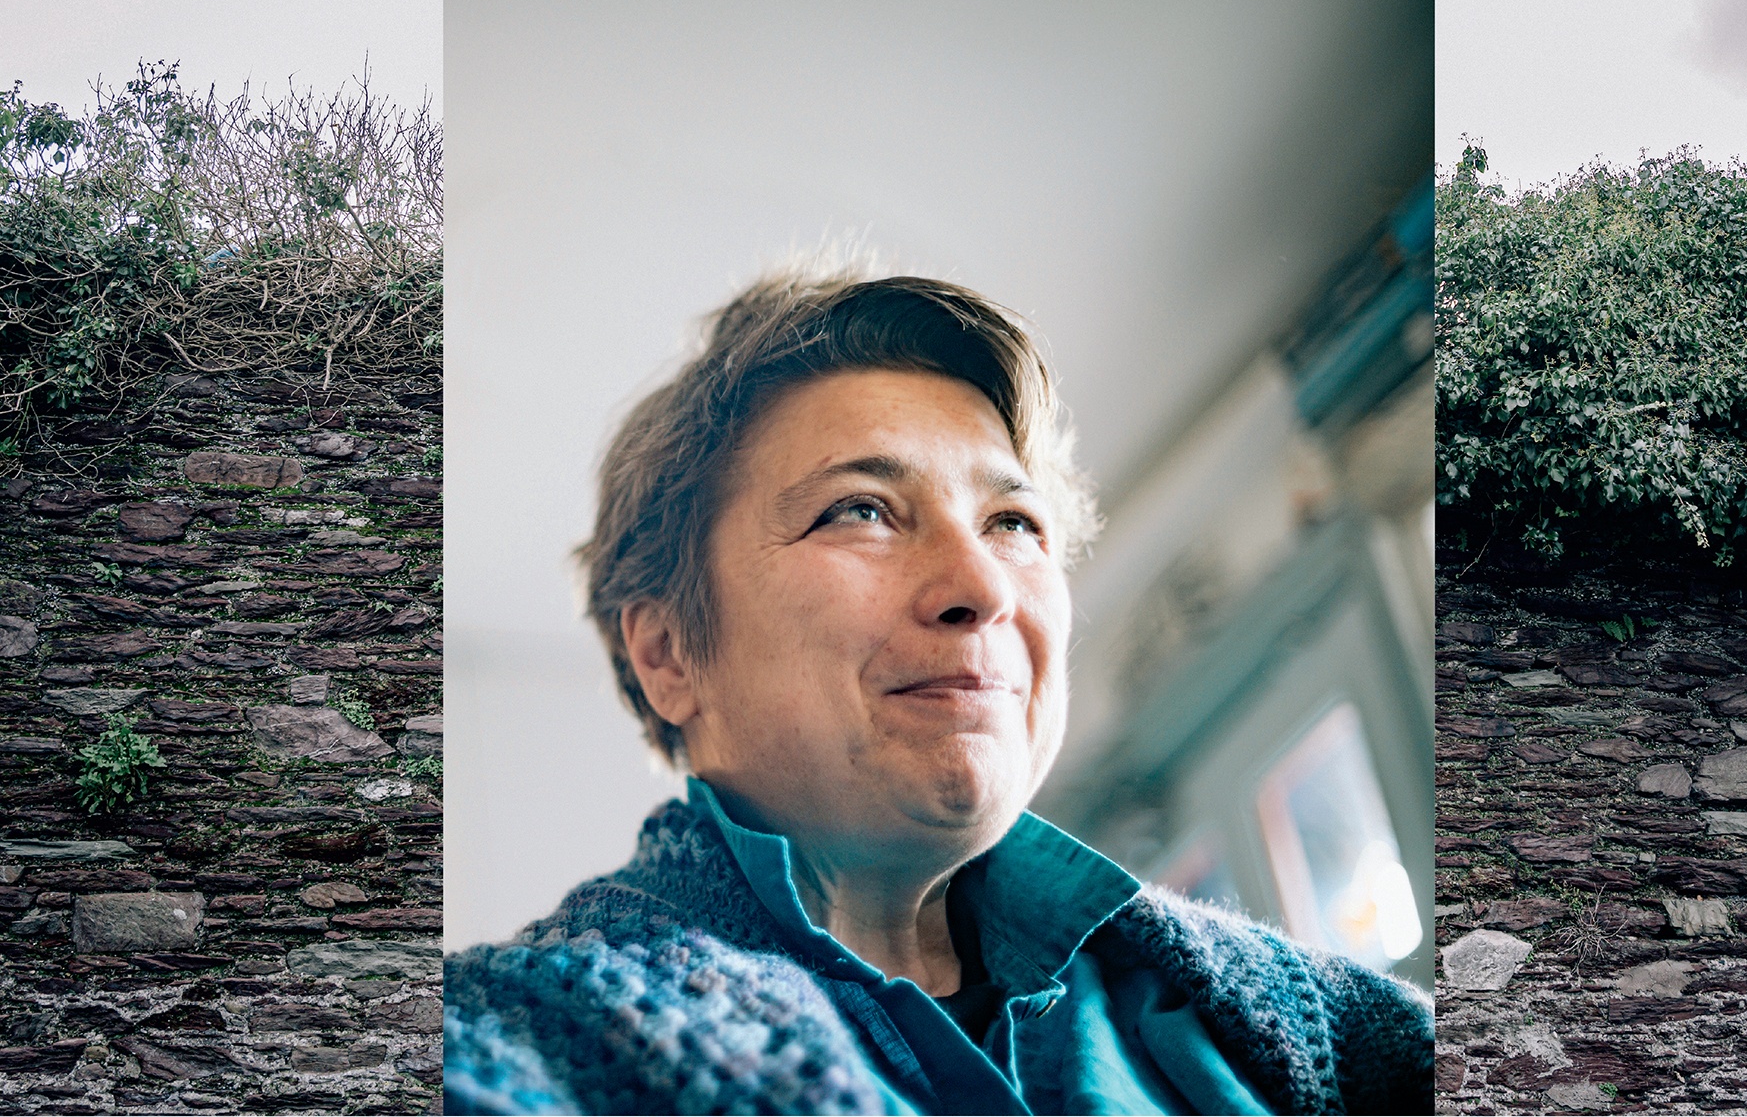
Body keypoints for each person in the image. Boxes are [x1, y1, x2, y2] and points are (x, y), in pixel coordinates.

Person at [443, 268, 1433, 1115]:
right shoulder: (506, 1033)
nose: (983, 587)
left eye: (1012, 522)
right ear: (668, 654)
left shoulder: (1273, 1026)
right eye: (861, 510)